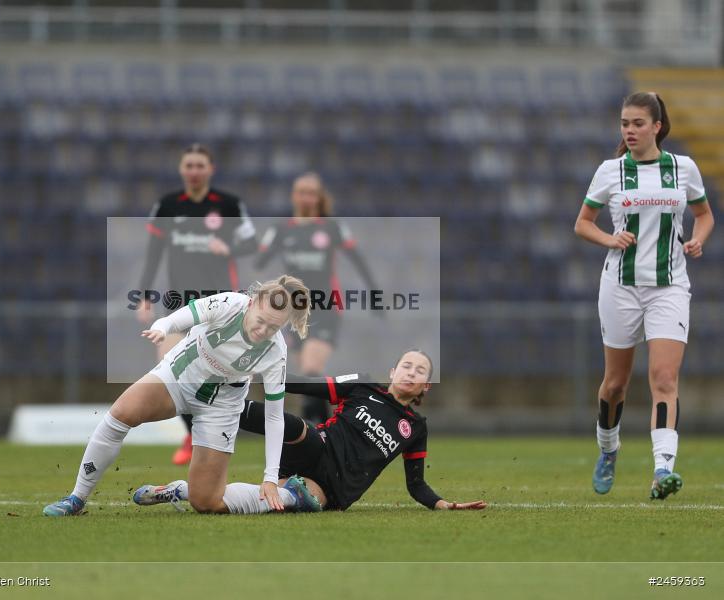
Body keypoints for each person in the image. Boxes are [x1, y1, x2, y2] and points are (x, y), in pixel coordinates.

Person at [44, 276, 322, 516]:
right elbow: (185, 315)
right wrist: (163, 327)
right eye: (261, 321)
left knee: (207, 502)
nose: (263, 331)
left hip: (221, 407)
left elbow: (274, 418)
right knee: (121, 414)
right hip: (178, 377)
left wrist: (271, 478)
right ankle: (76, 498)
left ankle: (287, 495)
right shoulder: (229, 304)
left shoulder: (275, 353)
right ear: (252, 303)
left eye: (273, 328)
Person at [134, 349, 487, 512]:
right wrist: (272, 379)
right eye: (406, 365)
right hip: (316, 447)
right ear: (393, 371)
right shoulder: (364, 387)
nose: (411, 371)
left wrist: (443, 504)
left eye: (420, 370)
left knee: (274, 500)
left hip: (332, 492)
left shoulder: (416, 429)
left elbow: (416, 485)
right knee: (297, 428)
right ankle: (205, 401)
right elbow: (312, 387)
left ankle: (180, 491)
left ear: (426, 386)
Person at [574, 92, 714, 500]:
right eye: (624, 123)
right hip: (620, 287)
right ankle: (608, 448)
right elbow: (583, 223)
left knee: (664, 378)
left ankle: (662, 470)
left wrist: (698, 240)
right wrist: (609, 238)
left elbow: (704, 215)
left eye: (637, 123)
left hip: (669, 286)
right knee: (615, 384)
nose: (629, 131)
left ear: (657, 126)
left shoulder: (683, 169)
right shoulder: (610, 171)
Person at [136, 143, 257, 465]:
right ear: (181, 169)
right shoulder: (168, 205)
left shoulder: (228, 205)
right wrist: (145, 294)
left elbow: (253, 243)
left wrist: (227, 247)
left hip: (220, 302)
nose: (194, 171)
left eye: (199, 165)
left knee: (212, 371)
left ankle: (212, 432)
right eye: (188, 165)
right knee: (169, 367)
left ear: (210, 169)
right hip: (177, 300)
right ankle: (192, 435)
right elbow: (153, 253)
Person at [255, 172, 379, 425]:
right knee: (308, 378)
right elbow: (260, 260)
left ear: (319, 197)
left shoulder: (331, 227)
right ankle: (325, 431)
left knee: (311, 370)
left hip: (325, 306)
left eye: (311, 193)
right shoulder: (282, 228)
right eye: (301, 192)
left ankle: (313, 430)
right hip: (294, 310)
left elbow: (358, 259)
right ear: (294, 196)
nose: (306, 198)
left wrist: (374, 292)